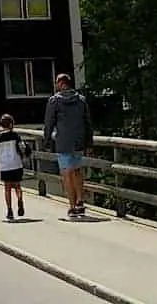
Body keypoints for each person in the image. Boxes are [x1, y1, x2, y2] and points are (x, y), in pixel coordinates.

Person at [43, 73, 94, 218]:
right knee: (77, 171)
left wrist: (47, 141)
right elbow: (88, 122)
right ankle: (80, 201)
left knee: (67, 173)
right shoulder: (81, 100)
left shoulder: (54, 101)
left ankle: (72, 206)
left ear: (60, 84)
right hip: (78, 141)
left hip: (63, 142)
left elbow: (49, 123)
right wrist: (88, 142)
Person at [0, 114, 27, 221]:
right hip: (16, 163)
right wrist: (24, 155)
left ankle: (9, 210)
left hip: (4, 165)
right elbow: (22, 147)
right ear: (11, 124)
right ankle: (20, 200)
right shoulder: (15, 135)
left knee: (7, 188)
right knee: (17, 185)